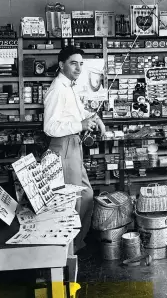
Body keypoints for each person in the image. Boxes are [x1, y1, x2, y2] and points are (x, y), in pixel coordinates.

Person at [43, 46, 106, 253]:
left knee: (86, 195)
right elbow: (50, 127)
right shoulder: (57, 90)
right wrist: (81, 125)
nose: (78, 68)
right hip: (63, 146)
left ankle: (76, 242)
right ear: (62, 65)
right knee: (71, 200)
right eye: (73, 63)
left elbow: (80, 112)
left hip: (74, 145)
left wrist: (95, 119)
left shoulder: (69, 86)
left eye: (81, 63)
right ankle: (67, 250)